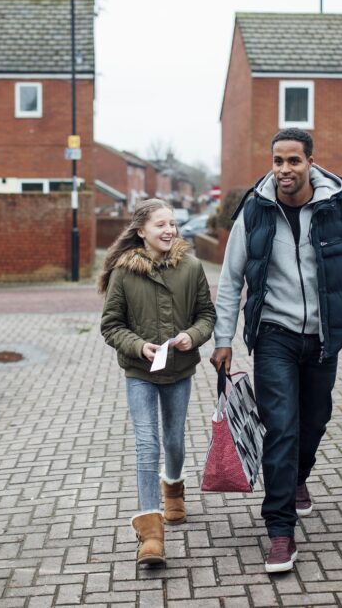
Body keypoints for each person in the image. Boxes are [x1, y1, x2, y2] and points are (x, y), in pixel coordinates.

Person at [210, 127, 342, 573]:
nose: (285, 170)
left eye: (293, 161)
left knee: (314, 422)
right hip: (274, 336)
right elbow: (230, 280)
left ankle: (299, 479)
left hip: (323, 337)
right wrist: (223, 339)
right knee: (281, 428)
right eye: (278, 161)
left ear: (310, 163)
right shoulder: (255, 211)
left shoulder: (337, 204)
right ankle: (280, 531)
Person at [99, 198, 216, 567]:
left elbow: (207, 315)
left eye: (172, 224)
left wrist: (191, 337)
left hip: (179, 370)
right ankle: (150, 534)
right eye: (160, 225)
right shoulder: (123, 272)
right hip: (139, 372)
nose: (169, 230)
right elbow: (111, 325)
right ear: (141, 232)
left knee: (174, 440)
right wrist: (138, 346)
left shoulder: (192, 267)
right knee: (147, 445)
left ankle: (174, 490)